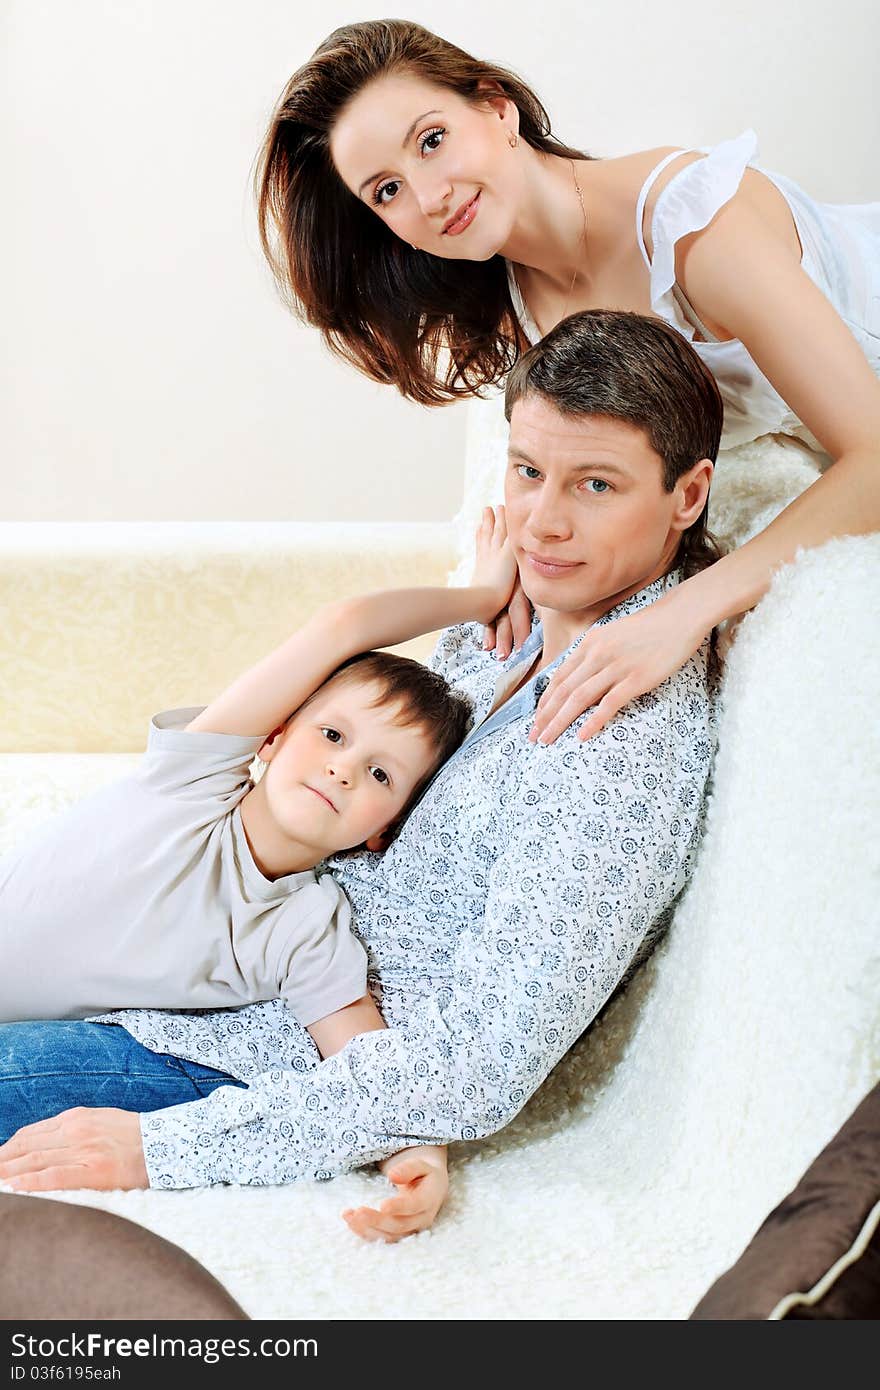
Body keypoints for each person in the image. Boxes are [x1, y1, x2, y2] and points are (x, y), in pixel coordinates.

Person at [0, 310, 719, 1241]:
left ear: (688, 495)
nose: (543, 521)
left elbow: (483, 1061)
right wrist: (483, 595)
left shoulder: (623, 747)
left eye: (596, 485)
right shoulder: (519, 618)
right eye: (528, 471)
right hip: (185, 952)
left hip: (248, 1052)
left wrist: (163, 1151)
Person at [255, 17, 880, 739]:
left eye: (431, 141)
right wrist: (525, 559)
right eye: (387, 191)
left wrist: (680, 614)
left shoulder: (695, 227)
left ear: (496, 107)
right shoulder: (520, 303)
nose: (428, 197)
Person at [0, 569, 523, 1237]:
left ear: (383, 829)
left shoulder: (307, 930)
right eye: (333, 736)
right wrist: (484, 599)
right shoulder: (192, 782)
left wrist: (422, 1154)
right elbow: (344, 625)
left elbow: (367, 1063)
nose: (343, 769)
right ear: (273, 736)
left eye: (381, 774)